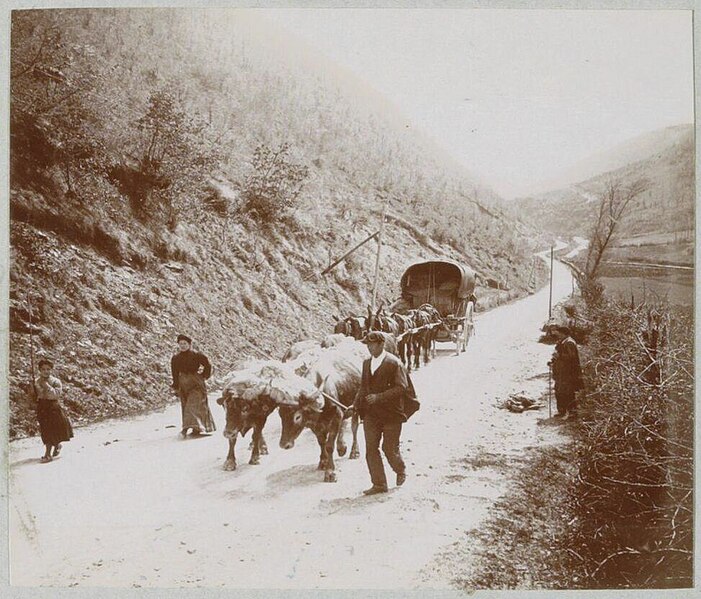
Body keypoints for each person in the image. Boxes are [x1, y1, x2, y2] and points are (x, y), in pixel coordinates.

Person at [355, 331, 409, 495]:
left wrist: (379, 397)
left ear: (381, 344)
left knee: (389, 448)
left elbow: (402, 387)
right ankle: (379, 484)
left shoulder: (394, 363)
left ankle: (400, 469)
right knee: (371, 449)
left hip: (391, 414)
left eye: (372, 344)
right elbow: (363, 388)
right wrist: (356, 405)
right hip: (371, 415)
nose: (369, 348)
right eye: (367, 345)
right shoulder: (366, 364)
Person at [171, 334, 216, 437]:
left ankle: (186, 428)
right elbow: (174, 373)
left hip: (196, 384)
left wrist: (204, 376)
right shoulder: (175, 358)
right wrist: (176, 386)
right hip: (183, 384)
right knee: (186, 405)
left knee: (192, 406)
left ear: (189, 344)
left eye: (185, 343)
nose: (182, 346)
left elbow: (207, 365)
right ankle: (196, 429)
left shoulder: (196, 355)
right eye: (180, 344)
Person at [33, 358, 74, 462]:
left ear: (51, 370)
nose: (46, 371)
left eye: (48, 369)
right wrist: (33, 390)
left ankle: (47, 455)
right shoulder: (36, 381)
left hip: (53, 408)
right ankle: (57, 445)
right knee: (45, 430)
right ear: (39, 370)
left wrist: (46, 385)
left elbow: (55, 395)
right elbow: (34, 397)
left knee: (51, 430)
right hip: (42, 408)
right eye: (43, 369)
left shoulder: (56, 381)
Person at [550, 325, 584, 420]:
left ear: (564, 333)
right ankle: (562, 411)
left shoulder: (569, 343)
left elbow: (571, 357)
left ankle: (572, 413)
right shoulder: (562, 342)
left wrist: (559, 356)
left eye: (559, 333)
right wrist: (553, 361)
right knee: (559, 390)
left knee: (568, 392)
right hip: (561, 372)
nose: (558, 335)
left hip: (568, 373)